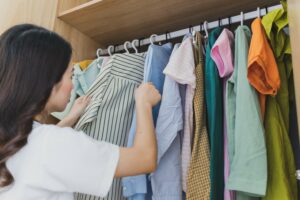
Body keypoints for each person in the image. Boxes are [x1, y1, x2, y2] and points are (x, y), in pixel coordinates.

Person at [0, 24, 161, 200]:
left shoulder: (13, 136)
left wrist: (70, 118)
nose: (72, 85)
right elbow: (144, 158)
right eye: (70, 76)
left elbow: (36, 150)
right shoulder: (52, 143)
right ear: (49, 81)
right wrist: (143, 103)